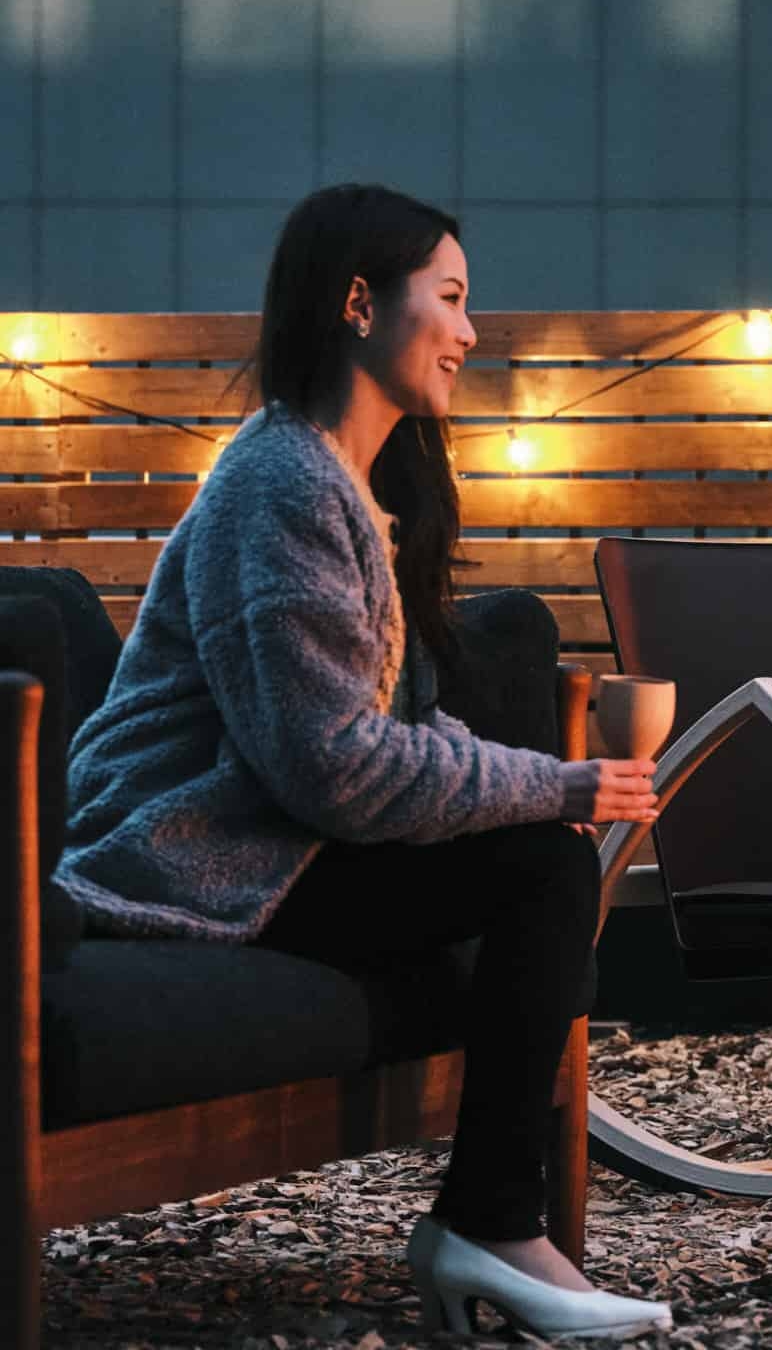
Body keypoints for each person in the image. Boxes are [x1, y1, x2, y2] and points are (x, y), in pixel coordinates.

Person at [56, 185, 672, 1338]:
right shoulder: (280, 484)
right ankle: (490, 1226)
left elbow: (399, 730)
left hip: (277, 843)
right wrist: (558, 784)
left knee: (539, 852)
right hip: (195, 856)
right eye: (450, 298)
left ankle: (493, 1223)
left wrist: (543, 786)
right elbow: (335, 768)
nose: (471, 332)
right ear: (357, 302)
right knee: (542, 865)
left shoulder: (349, 487)